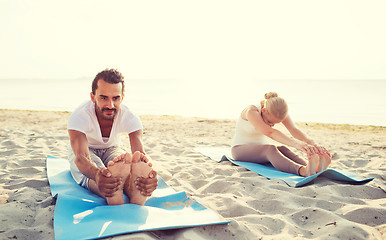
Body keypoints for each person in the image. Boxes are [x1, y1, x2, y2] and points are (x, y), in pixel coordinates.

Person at [68, 68, 158, 205]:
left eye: (115, 98)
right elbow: (81, 158)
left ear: (122, 98)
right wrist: (98, 175)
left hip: (113, 148)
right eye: (103, 98)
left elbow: (140, 154)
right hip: (87, 150)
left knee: (123, 162)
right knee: (97, 170)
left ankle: (133, 188)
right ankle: (108, 192)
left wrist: (149, 176)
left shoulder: (130, 117)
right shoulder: (80, 116)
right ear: (93, 97)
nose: (110, 105)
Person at [231, 92, 331, 177]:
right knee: (270, 149)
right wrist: (296, 144)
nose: (272, 125)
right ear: (264, 110)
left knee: (283, 149)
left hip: (259, 150)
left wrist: (313, 144)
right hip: (239, 150)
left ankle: (314, 168)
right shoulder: (251, 111)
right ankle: (303, 171)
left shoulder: (278, 111)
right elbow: (270, 132)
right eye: (270, 121)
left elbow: (294, 130)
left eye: (276, 123)